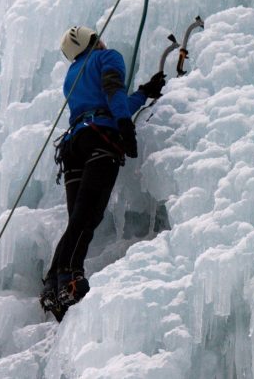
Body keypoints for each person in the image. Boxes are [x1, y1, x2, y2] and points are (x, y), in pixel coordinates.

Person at [40, 26, 165, 320]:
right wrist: (125, 125)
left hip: (74, 147)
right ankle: (68, 279)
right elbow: (112, 92)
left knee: (78, 218)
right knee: (88, 215)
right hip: (100, 141)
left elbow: (103, 102)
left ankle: (52, 283)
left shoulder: (73, 74)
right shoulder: (107, 57)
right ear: (93, 41)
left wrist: (144, 94)